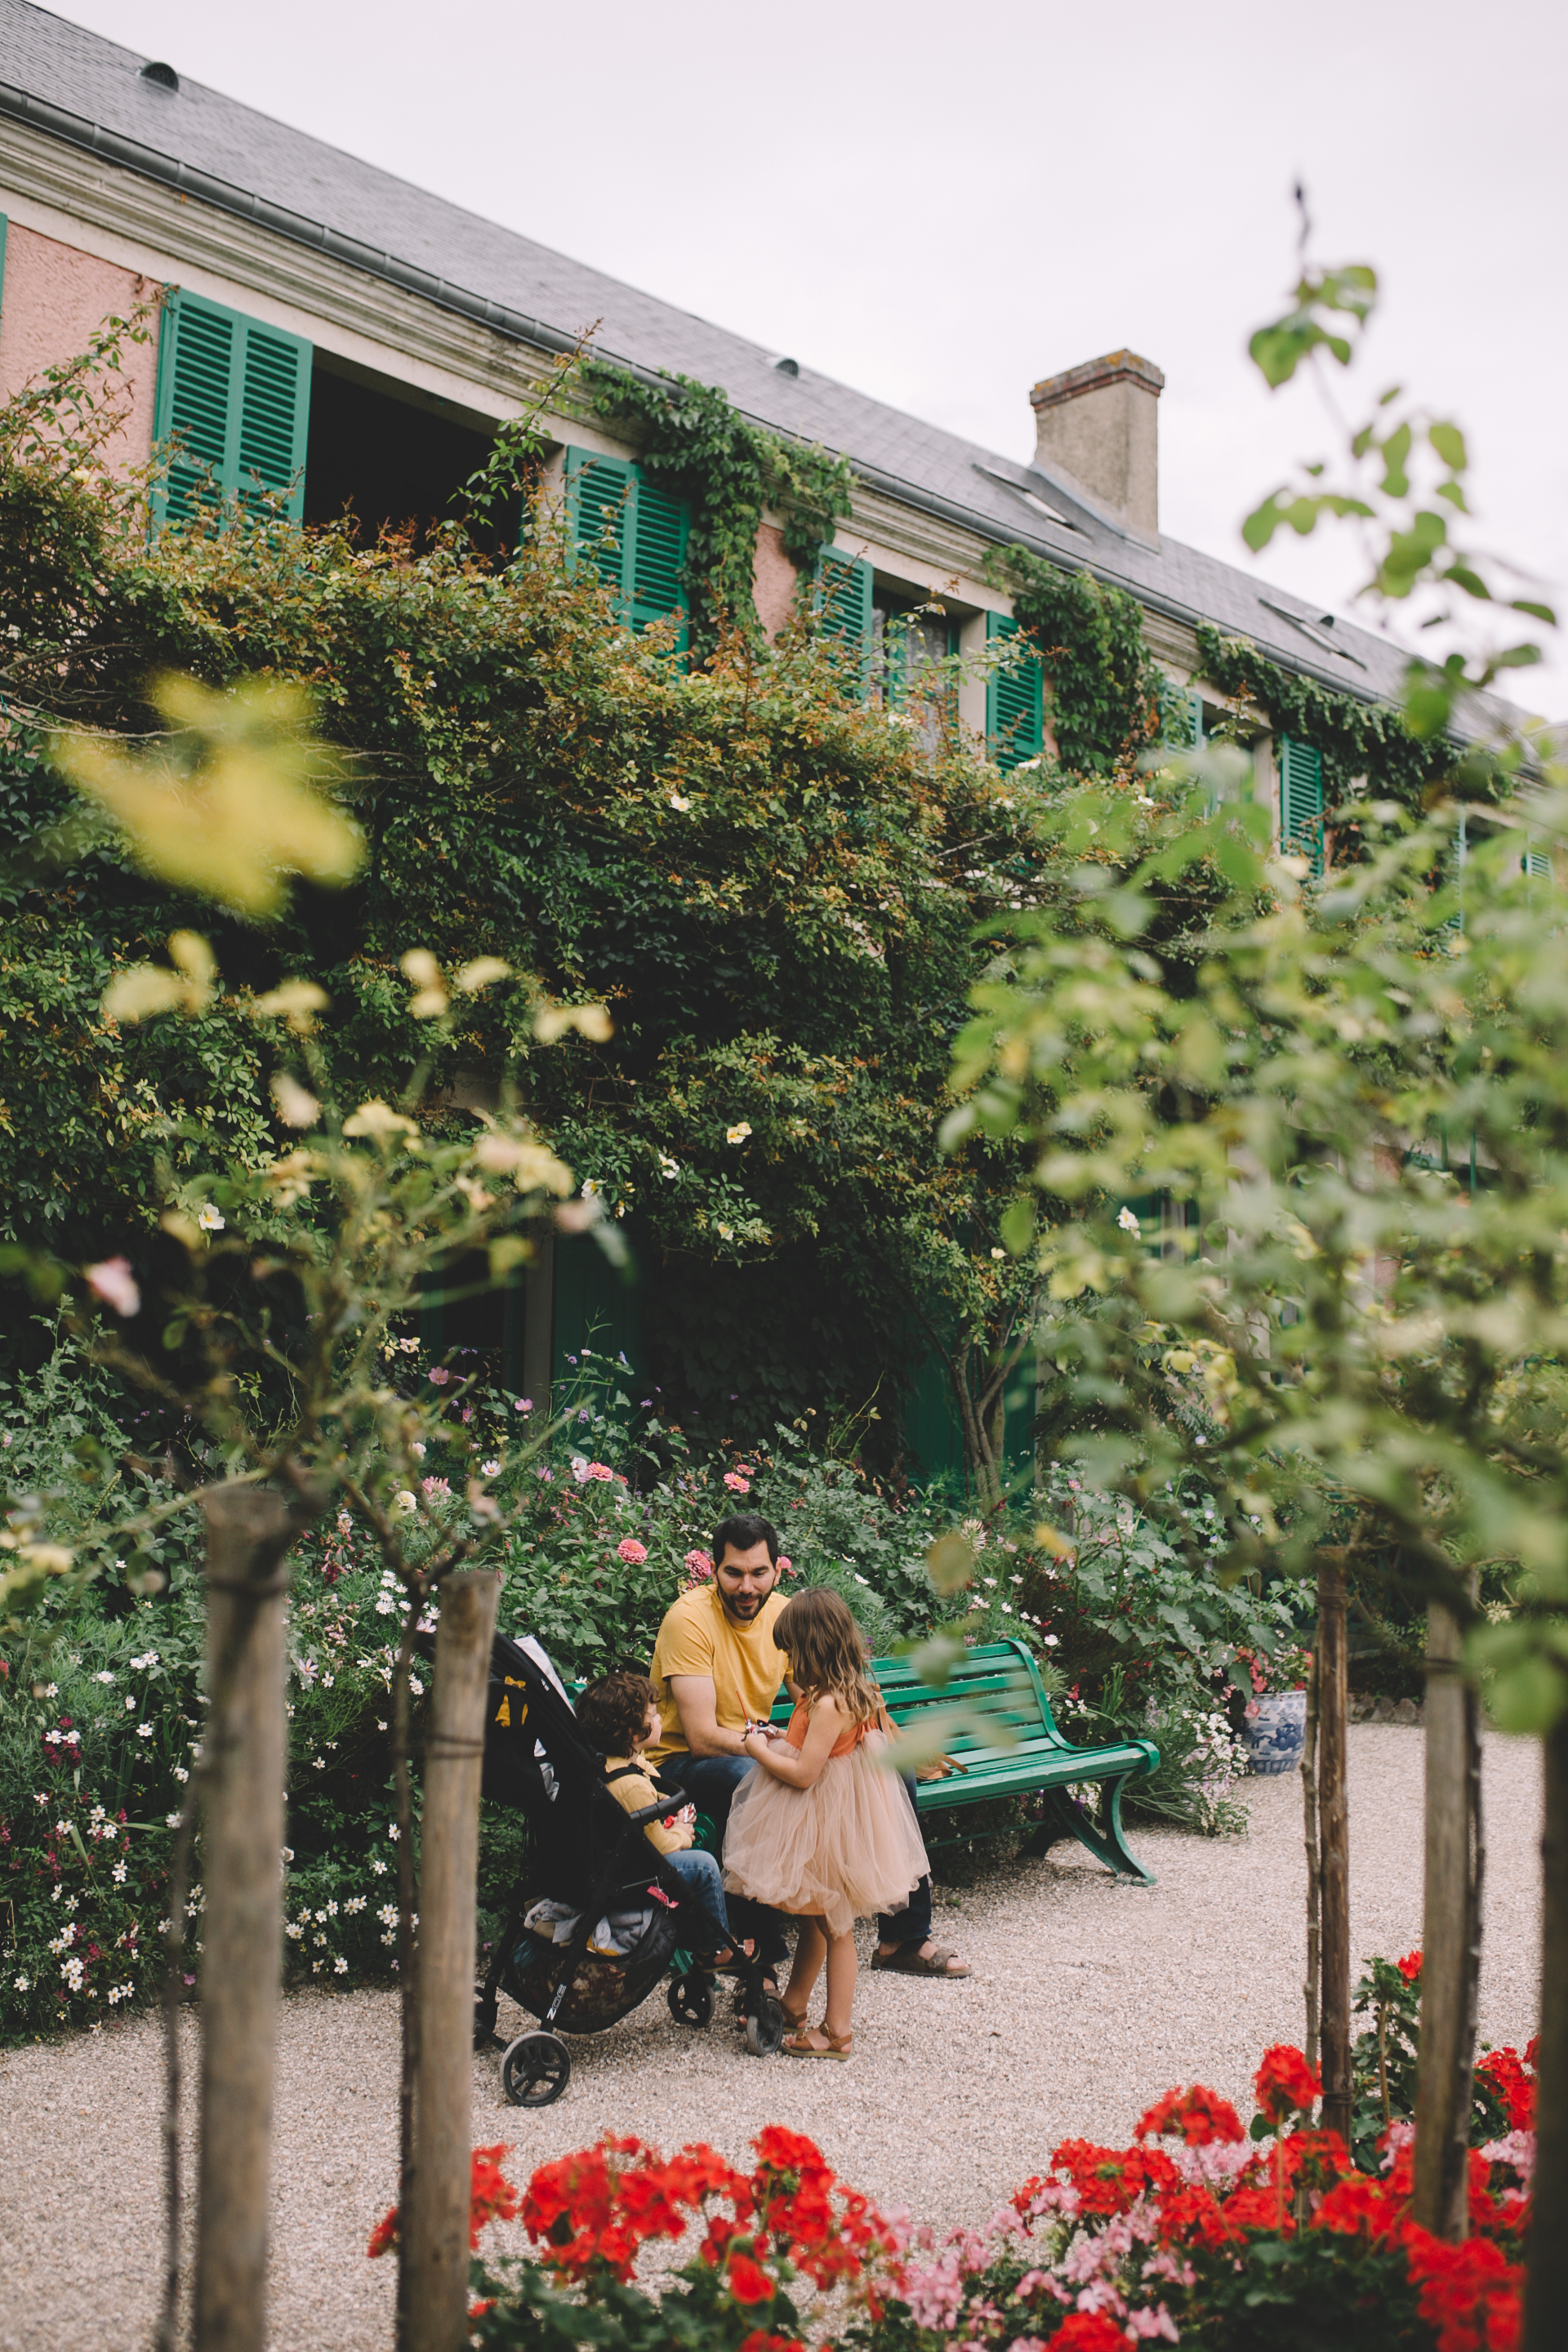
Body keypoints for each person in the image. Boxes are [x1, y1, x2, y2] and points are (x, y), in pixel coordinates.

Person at [648, 1510, 969, 1984]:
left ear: (777, 1570)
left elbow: (818, 1698)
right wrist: (770, 1751)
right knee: (755, 1782)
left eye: (759, 1573)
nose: (747, 1587)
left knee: (890, 1770)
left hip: (759, 1746)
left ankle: (903, 1936)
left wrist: (872, 1744)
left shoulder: (783, 1613)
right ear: (714, 1571)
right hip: (686, 1762)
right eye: (733, 1573)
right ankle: (761, 1959)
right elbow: (701, 1736)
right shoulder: (689, 1620)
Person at [722, 1586, 930, 2058]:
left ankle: (837, 2031)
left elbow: (803, 1773)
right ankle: (795, 2002)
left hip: (823, 1818)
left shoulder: (831, 1702)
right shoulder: (834, 1693)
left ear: (813, 1647)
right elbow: (810, 1745)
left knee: (835, 1927)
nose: (790, 1664)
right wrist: (778, 1734)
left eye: (793, 1652)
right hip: (825, 1816)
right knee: (817, 1919)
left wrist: (755, 1748)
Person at [576, 1670, 742, 1967]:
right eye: (653, 1715)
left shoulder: (614, 1761)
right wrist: (681, 1833)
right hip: (633, 1872)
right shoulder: (630, 1785)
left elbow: (645, 1769)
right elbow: (661, 1849)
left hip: (613, 1859)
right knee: (703, 1866)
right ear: (634, 1732)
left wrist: (662, 1800)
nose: (660, 1720)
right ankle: (714, 1948)